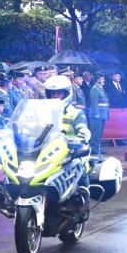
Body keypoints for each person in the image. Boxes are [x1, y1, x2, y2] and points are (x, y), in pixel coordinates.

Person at [43, 75, 91, 214]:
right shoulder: (42, 111)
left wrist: (81, 137)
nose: (55, 96)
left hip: (71, 150)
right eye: (52, 93)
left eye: (59, 93)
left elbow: (83, 128)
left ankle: (83, 202)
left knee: (80, 166)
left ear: (66, 93)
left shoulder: (75, 113)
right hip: (47, 150)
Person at [88, 72, 109, 155]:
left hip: (102, 114)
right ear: (97, 80)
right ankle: (94, 149)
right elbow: (94, 103)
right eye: (102, 78)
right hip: (97, 115)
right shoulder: (94, 89)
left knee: (100, 133)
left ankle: (98, 148)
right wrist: (96, 114)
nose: (103, 80)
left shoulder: (100, 88)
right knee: (95, 133)